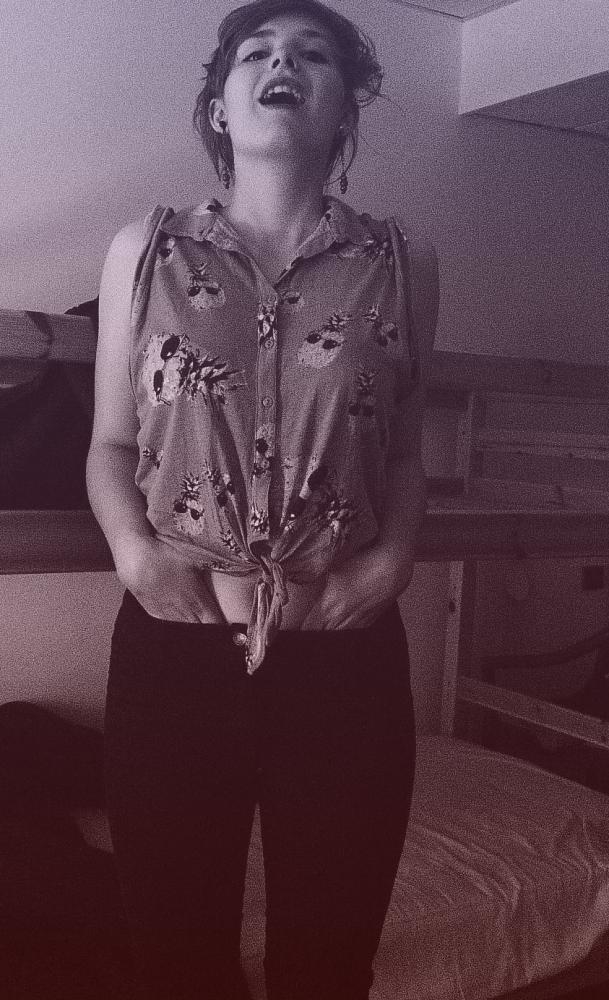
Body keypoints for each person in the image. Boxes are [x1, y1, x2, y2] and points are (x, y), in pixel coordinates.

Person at [87, 1, 439, 997]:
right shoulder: (144, 250)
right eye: (257, 52)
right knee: (176, 956)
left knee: (328, 962)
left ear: (344, 108)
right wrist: (134, 555)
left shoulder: (404, 262)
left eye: (312, 53)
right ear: (218, 105)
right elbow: (111, 444)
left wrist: (392, 563)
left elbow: (405, 454)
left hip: (345, 652)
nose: (283, 62)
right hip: (173, 645)